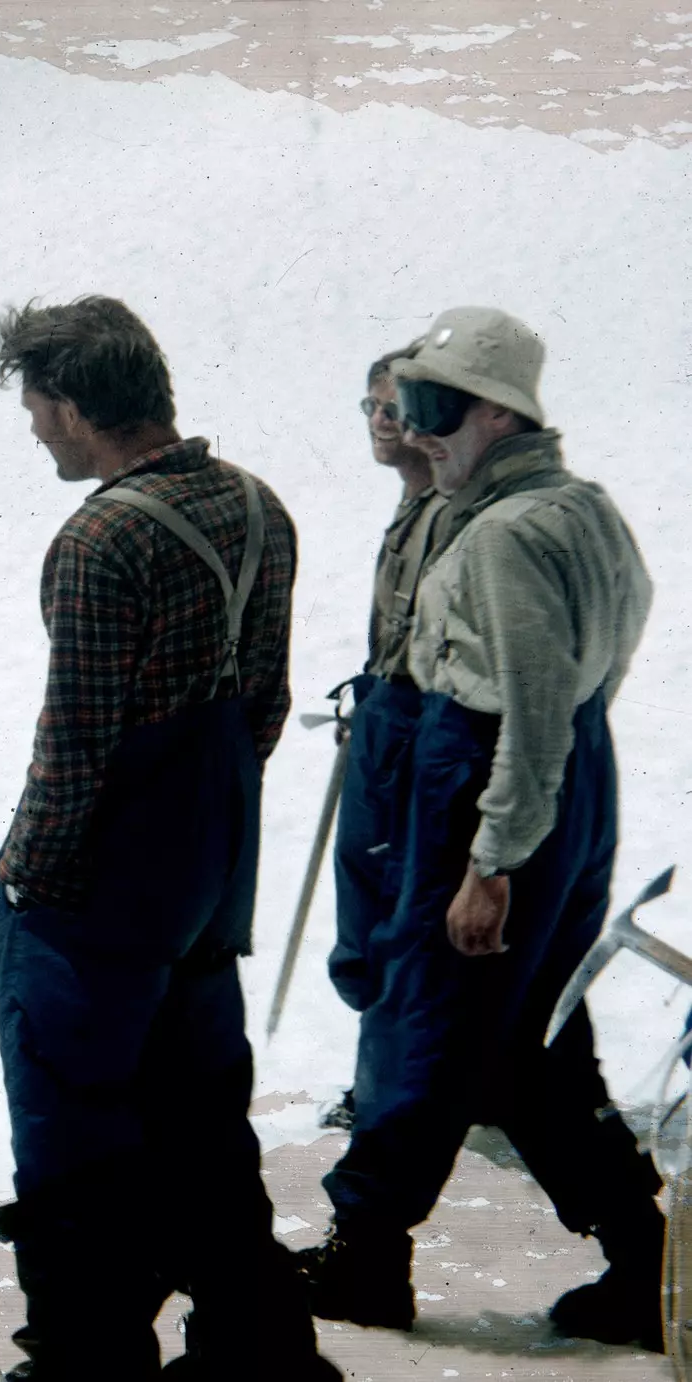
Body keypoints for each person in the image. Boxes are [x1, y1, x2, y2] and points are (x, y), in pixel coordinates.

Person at [0, 296, 338, 1379]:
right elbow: (265, 703)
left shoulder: (100, 537)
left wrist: (23, 881)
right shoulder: (259, 505)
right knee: (201, 1114)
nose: (36, 426)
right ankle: (256, 1345)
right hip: (208, 872)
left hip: (99, 892)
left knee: (73, 1130)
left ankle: (87, 1358)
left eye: (39, 405)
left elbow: (76, 744)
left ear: (80, 405)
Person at [301, 307, 664, 1350]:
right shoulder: (579, 505)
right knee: (532, 1032)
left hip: (490, 774)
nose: (413, 430)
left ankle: (368, 1249)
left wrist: (492, 857)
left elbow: (532, 703)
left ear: (497, 414)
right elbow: (598, 664)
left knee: (433, 1011)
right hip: (555, 775)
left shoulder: (500, 532)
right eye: (403, 403)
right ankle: (642, 1253)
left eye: (431, 408)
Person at [320, 344, 449, 1130]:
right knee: (371, 919)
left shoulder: (451, 511)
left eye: (393, 407)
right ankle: (384, 1085)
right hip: (386, 722)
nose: (378, 420)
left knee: (402, 922)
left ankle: (391, 1097)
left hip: (422, 733)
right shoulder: (411, 505)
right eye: (369, 404)